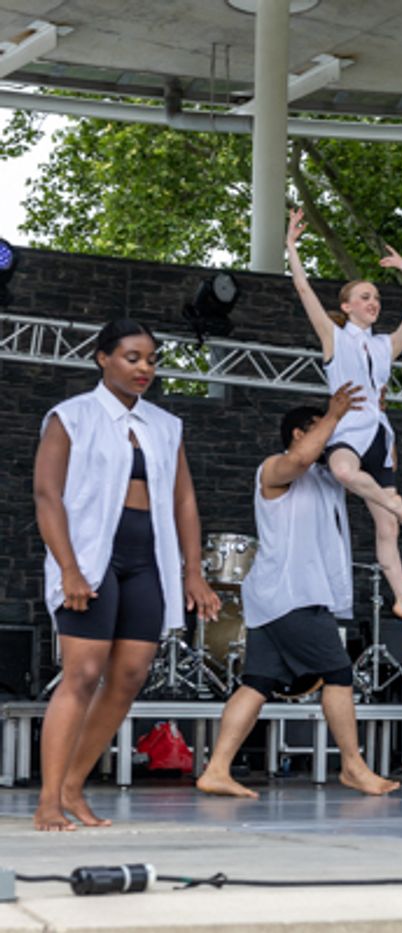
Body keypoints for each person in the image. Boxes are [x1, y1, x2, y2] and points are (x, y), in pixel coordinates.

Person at [32, 319, 221, 830]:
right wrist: (69, 567)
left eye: (152, 360)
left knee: (131, 675)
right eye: (132, 357)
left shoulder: (165, 425)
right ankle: (49, 799)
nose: (144, 368)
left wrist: (192, 571)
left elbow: (184, 500)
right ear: (103, 358)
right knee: (83, 674)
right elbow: (47, 496)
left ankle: (75, 785)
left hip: (147, 560)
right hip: (92, 558)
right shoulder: (71, 417)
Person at [197, 386, 401, 798]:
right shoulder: (274, 469)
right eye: (323, 429)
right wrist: (334, 413)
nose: (333, 436)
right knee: (339, 675)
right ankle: (353, 767)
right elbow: (302, 457)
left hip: (277, 597)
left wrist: (377, 422)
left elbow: (382, 470)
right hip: (294, 595)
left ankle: (216, 769)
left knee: (257, 681)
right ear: (297, 432)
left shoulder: (329, 479)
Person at [286, 207, 402, 642]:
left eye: (377, 299)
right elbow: (305, 290)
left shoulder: (384, 346)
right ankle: (395, 503)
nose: (373, 303)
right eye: (365, 297)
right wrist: (291, 246)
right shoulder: (334, 337)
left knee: (386, 532)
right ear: (347, 307)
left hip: (378, 433)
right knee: (345, 472)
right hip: (347, 430)